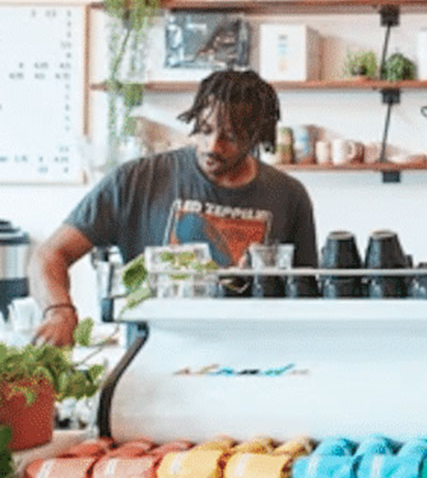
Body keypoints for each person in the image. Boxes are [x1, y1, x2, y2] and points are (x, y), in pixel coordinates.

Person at [29, 70, 318, 347]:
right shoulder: (136, 181)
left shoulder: (288, 196)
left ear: (256, 137)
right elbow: (50, 253)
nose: (211, 146)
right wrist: (59, 311)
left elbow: (307, 300)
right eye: (204, 130)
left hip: (253, 363)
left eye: (229, 137)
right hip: (153, 363)